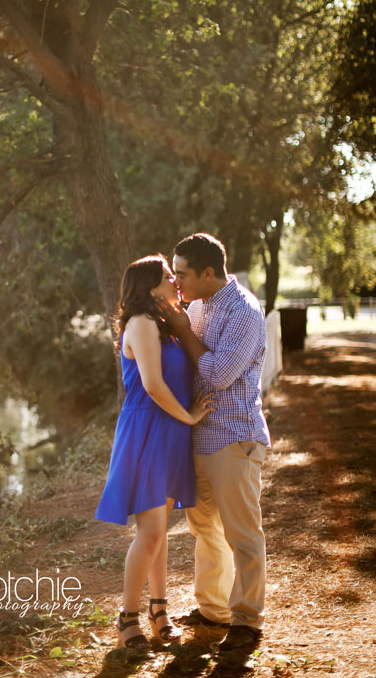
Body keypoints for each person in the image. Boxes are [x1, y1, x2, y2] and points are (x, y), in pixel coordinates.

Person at [96, 254, 214, 651]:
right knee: (149, 533)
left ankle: (159, 609)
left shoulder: (164, 325)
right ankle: (127, 616)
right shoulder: (142, 324)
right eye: (167, 277)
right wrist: (190, 416)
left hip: (169, 431)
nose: (174, 281)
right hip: (150, 430)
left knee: (159, 531)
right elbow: (151, 385)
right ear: (148, 287)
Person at [160, 233, 270, 653]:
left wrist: (185, 332)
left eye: (182, 273)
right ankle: (212, 610)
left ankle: (246, 619)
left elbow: (219, 373)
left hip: (235, 437)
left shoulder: (243, 311)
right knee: (204, 527)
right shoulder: (199, 303)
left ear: (208, 273)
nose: (177, 281)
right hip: (201, 436)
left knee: (243, 533)